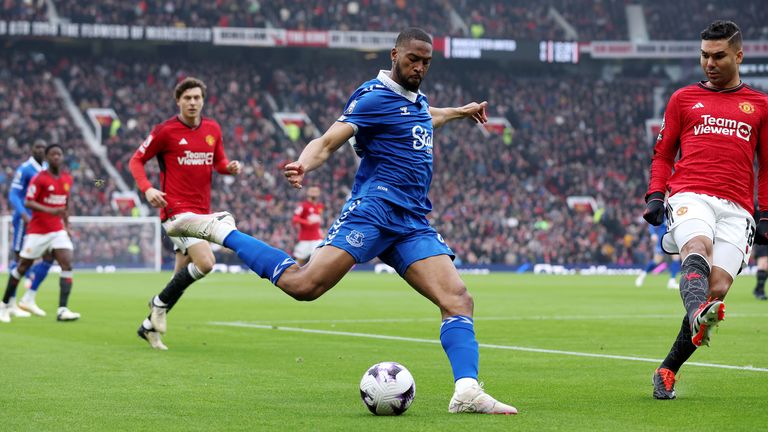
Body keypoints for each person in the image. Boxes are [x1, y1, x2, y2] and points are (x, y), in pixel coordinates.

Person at [163, 28, 517, 414]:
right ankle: (221, 230)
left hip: (411, 219)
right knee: (304, 285)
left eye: (426, 62)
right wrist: (304, 162)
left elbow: (423, 117)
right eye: (413, 59)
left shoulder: (415, 101)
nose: (419, 67)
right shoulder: (373, 97)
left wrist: (458, 112)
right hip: (375, 211)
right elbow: (328, 140)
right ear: (395, 54)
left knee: (458, 299)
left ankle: (466, 391)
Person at [642, 20, 768, 400]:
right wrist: (655, 195)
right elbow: (663, 153)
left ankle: (667, 369)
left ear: (738, 55)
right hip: (689, 194)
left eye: (718, 56)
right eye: (704, 56)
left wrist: (766, 215)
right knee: (696, 246)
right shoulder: (682, 99)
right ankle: (698, 314)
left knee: (718, 291)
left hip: (738, 209)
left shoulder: (761, 105)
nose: (709, 63)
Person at [129, 77, 242, 350]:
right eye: (187, 98)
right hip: (175, 212)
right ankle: (157, 303)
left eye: (197, 98)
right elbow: (136, 160)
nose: (192, 102)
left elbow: (218, 161)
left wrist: (230, 168)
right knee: (206, 263)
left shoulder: (213, 128)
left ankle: (148, 326)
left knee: (178, 280)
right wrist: (147, 189)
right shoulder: (165, 131)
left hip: (201, 211)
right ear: (178, 101)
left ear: (203, 100)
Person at [1, 144, 80, 323]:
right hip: (35, 227)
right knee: (21, 266)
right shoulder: (34, 174)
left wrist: (66, 226)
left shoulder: (67, 178)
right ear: (46, 156)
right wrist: (26, 215)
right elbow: (21, 198)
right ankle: (6, 304)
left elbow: (65, 204)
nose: (56, 157)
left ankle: (59, 308)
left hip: (57, 229)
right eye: (52, 154)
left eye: (59, 154)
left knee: (66, 263)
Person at [7, 139, 55, 317]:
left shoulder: (46, 170)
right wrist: (23, 214)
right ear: (32, 149)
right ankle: (9, 302)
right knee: (19, 259)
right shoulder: (25, 169)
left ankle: (29, 297)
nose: (41, 150)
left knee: (50, 257)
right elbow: (13, 194)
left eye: (44, 147)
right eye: (38, 147)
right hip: (25, 220)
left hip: (42, 221)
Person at [635, 216, 681, 290]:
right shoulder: (664, 211)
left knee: (676, 258)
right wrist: (653, 234)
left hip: (673, 237)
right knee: (656, 261)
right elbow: (652, 223)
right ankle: (642, 276)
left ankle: (672, 281)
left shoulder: (677, 211)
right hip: (662, 238)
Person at [291, 185, 325, 265]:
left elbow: (317, 223)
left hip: (317, 238)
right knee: (299, 261)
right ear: (308, 193)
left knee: (320, 255)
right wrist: (306, 222)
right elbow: (295, 219)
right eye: (312, 191)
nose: (314, 193)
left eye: (316, 191)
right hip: (305, 239)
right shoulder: (303, 206)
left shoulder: (320, 206)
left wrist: (320, 232)